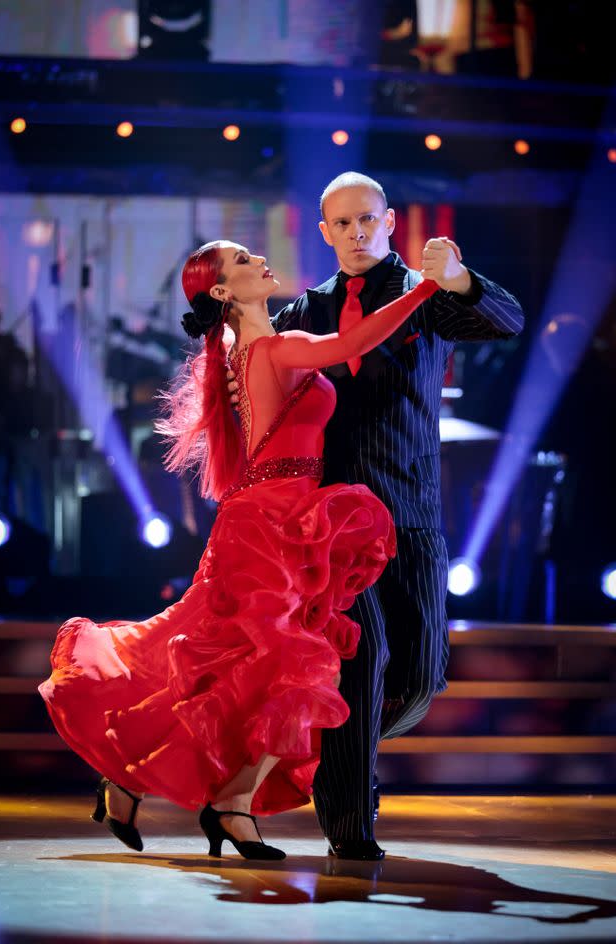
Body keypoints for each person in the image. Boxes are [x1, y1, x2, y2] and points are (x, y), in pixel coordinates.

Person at [38, 239, 440, 861]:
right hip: (270, 523)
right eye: (243, 263)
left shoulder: (244, 347)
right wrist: (425, 289)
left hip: (278, 517)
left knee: (235, 665)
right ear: (224, 293)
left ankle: (149, 780)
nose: (260, 262)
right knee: (295, 666)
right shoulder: (272, 348)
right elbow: (352, 346)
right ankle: (223, 803)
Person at [227, 171, 524, 860]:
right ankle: (350, 828)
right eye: (342, 223)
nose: (357, 233)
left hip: (411, 512)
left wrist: (459, 277)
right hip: (331, 528)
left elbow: (506, 321)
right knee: (355, 670)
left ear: (389, 222)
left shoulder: (423, 296)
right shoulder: (306, 310)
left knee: (420, 675)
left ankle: (344, 744)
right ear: (326, 232)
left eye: (367, 220)